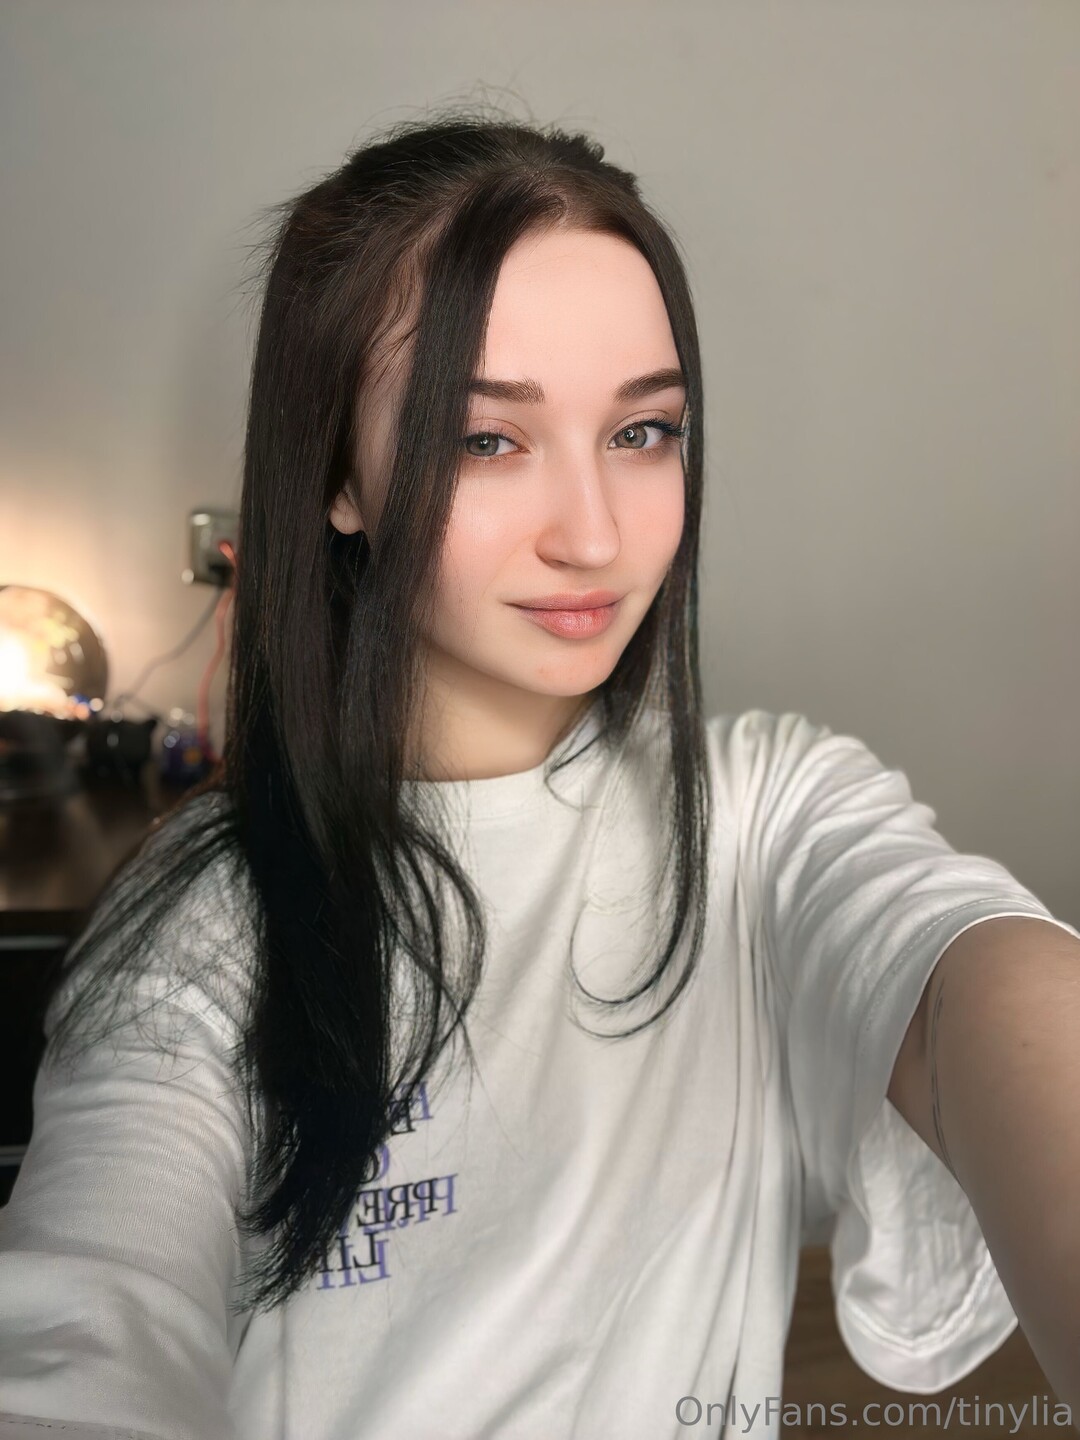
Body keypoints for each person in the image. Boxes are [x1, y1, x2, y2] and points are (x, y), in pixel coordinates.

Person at [0, 107, 1077, 1440]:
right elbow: (88, 1314)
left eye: (644, 432)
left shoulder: (759, 816)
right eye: (486, 440)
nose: (596, 536)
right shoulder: (212, 929)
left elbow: (980, 982)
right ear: (338, 473)